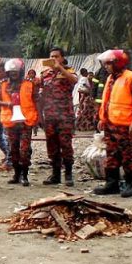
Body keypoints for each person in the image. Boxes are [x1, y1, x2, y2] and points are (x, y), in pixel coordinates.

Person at [94, 50, 132, 198]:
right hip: (110, 123)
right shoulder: (110, 78)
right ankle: (112, 184)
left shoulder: (131, 78)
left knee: (126, 155)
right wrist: (102, 119)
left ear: (118, 63)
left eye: (109, 64)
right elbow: (107, 100)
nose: (106, 67)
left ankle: (130, 185)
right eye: (106, 64)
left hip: (124, 124)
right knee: (111, 154)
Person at [0, 59, 40, 187]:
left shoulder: (30, 84)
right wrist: (7, 104)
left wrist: (38, 120)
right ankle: (16, 174)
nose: (13, 74)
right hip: (11, 123)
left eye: (16, 72)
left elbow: (36, 101)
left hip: (26, 122)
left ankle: (24, 175)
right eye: (11, 72)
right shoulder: (3, 85)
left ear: (21, 72)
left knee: (25, 150)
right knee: (13, 149)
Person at [41, 47, 78, 187]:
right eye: (51, 56)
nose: (53, 58)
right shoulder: (45, 74)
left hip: (65, 115)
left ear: (62, 58)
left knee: (66, 144)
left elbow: (74, 80)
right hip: (50, 116)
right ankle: (55, 174)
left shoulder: (69, 71)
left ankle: (68, 174)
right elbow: (41, 93)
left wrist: (60, 68)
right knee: (52, 145)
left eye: (56, 56)